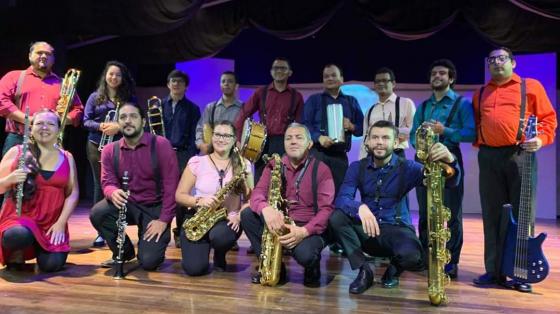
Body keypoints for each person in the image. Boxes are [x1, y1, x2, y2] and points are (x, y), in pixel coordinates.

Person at [331, 120, 460, 294]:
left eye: (385, 137)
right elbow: (342, 199)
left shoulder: (407, 167)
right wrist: (359, 207)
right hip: (368, 230)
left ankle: (393, 271)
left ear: (396, 143)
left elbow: (448, 182)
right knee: (337, 218)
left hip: (396, 229)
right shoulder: (357, 167)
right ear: (367, 142)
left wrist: (450, 159)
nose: (379, 142)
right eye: (375, 137)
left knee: (414, 257)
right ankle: (364, 270)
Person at [472, 47, 557, 293]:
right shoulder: (481, 93)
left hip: (520, 155)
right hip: (488, 157)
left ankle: (521, 271)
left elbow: (548, 120)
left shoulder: (531, 87)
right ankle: (494, 270)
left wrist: (540, 139)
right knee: (491, 214)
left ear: (513, 63)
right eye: (492, 59)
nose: (496, 62)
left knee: (522, 215)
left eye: (502, 58)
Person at [240, 123, 335, 288]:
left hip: (307, 226)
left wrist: (304, 231)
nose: (293, 141)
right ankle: (274, 268)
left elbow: (326, 210)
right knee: (248, 214)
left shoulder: (322, 169)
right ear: (284, 143)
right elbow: (257, 194)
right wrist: (266, 209)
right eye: (288, 138)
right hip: (280, 222)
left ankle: (312, 267)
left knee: (305, 255)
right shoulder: (273, 165)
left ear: (309, 144)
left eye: (299, 138)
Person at [90, 102, 179, 272]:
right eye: (123, 117)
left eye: (133, 116)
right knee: (98, 213)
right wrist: (112, 192)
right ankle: (124, 252)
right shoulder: (109, 150)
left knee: (149, 262)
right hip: (127, 204)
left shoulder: (161, 145)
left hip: (154, 208)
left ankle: (146, 246)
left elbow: (171, 186)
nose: (128, 121)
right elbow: (107, 182)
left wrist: (164, 220)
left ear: (143, 122)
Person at [409, 59, 475, 279]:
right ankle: (426, 256)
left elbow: (470, 133)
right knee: (425, 213)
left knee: (451, 213)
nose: (437, 76)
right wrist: (420, 147)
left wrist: (444, 130)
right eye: (434, 73)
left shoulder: (462, 104)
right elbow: (412, 135)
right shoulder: (424, 107)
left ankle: (451, 261)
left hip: (449, 162)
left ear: (451, 78)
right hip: (426, 164)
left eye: (442, 73)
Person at [0, 109, 79, 272]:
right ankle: (20, 248)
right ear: (31, 128)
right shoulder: (17, 152)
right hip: (21, 218)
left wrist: (61, 223)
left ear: (59, 129)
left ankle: (37, 247)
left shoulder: (67, 157)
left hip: (51, 222)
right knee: (17, 237)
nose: (45, 127)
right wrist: (9, 180)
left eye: (50, 124)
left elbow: (73, 193)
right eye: (39, 123)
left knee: (51, 266)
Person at [176, 120, 253, 275]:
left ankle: (220, 254)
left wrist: (238, 216)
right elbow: (179, 195)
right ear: (211, 137)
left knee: (220, 237)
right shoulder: (197, 161)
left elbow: (252, 199)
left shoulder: (243, 164)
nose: (221, 139)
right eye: (217, 134)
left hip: (227, 220)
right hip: (200, 217)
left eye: (227, 135)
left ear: (234, 140)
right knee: (194, 269)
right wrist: (198, 201)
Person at [83, 60, 136, 247]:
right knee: (101, 185)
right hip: (96, 146)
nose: (114, 77)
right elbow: (86, 121)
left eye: (118, 75)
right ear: (105, 76)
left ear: (123, 78)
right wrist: (103, 127)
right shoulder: (94, 97)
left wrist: (118, 126)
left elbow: (135, 121)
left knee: (120, 186)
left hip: (120, 147)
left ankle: (117, 226)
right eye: (111, 74)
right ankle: (100, 230)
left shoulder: (128, 98)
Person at [0, 41, 83, 155]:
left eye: (48, 54)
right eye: (39, 53)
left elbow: (78, 110)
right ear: (30, 56)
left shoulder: (64, 83)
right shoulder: (14, 77)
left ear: (53, 59)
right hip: (19, 139)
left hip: (50, 141)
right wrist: (29, 119)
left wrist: (61, 120)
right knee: (12, 173)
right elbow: (2, 102)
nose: (44, 56)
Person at [234, 57, 304, 183]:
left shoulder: (296, 96)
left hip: (285, 143)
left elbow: (300, 126)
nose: (279, 71)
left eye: (283, 68)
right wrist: (239, 139)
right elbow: (243, 114)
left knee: (284, 181)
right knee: (261, 181)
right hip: (262, 143)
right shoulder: (261, 92)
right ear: (271, 72)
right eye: (276, 68)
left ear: (290, 72)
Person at [303, 64, 364, 195]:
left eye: (333, 75)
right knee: (315, 191)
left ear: (342, 79)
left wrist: (352, 126)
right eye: (326, 76)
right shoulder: (314, 100)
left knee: (340, 192)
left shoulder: (351, 101)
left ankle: (336, 216)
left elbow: (362, 128)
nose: (329, 78)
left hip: (340, 155)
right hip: (318, 153)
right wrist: (319, 137)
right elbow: (304, 124)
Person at [161, 69, 201, 247]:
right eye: (172, 81)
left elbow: (194, 135)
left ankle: (179, 231)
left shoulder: (193, 108)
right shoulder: (159, 106)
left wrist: (191, 159)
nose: (176, 84)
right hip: (162, 154)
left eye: (180, 81)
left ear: (186, 86)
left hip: (183, 154)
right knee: (163, 193)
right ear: (168, 84)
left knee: (180, 195)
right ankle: (162, 229)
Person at [360, 67, 416, 159]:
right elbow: (365, 139)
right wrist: (362, 160)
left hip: (397, 154)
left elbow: (415, 130)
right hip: (373, 156)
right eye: (377, 81)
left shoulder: (405, 103)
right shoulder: (370, 110)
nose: (381, 83)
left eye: (385, 80)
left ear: (393, 83)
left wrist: (395, 132)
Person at [195, 71, 244, 155]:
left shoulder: (244, 108)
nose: (226, 84)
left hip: (235, 154)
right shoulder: (211, 107)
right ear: (220, 85)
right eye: (223, 81)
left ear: (236, 86)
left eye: (230, 81)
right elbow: (200, 128)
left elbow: (247, 133)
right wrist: (201, 144)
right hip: (214, 153)